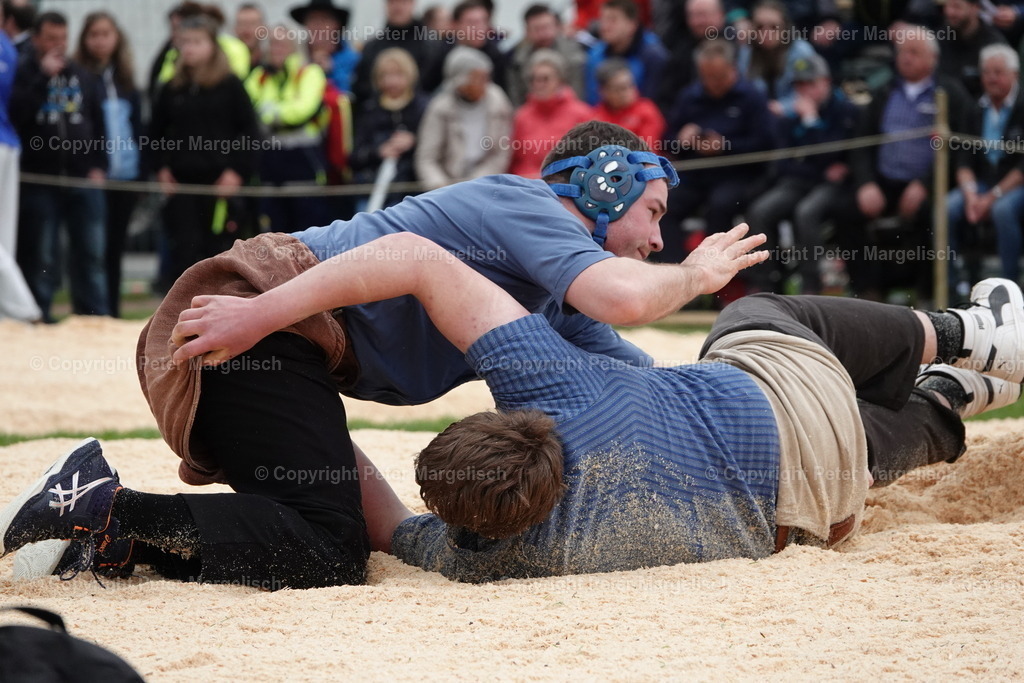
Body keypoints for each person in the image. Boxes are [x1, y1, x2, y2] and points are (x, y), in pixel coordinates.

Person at [8, 236, 1024, 584]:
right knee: (760, 310)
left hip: (818, 488)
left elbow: (378, 522)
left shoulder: (488, 556)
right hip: (772, 388)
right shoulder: (562, 389)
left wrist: (311, 447)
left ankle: (951, 389)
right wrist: (276, 332)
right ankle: (954, 331)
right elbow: (418, 261)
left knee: (910, 433)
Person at [5, 123, 739, 589]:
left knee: (319, 534)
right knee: (329, 546)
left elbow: (643, 379)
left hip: (277, 339)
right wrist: (700, 278)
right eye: (653, 214)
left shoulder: (551, 303)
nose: (657, 241)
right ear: (602, 187)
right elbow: (625, 298)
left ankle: (106, 542)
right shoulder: (530, 205)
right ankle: (91, 505)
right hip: (247, 316)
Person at [848, 27, 970, 301]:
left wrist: (925, 185)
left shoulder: (950, 93)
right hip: (884, 180)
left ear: (932, 59)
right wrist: (866, 183)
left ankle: (927, 293)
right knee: (847, 211)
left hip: (931, 183)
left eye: (914, 53)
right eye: (902, 52)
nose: (906, 58)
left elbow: (959, 148)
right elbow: (860, 142)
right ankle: (867, 290)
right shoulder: (884, 91)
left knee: (932, 216)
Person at [148, 15, 260, 290]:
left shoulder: (230, 86)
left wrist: (237, 172)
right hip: (182, 185)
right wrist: (160, 168)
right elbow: (154, 134)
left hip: (220, 186)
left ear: (212, 45)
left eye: (196, 42)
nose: (189, 48)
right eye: (184, 42)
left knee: (219, 253)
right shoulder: (171, 88)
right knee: (184, 252)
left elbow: (250, 133)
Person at [12, 11, 109, 322]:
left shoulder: (82, 75)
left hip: (82, 177)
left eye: (63, 38)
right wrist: (42, 77)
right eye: (51, 38)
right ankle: (39, 317)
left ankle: (94, 317)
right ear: (37, 38)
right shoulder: (23, 71)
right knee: (42, 255)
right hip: (39, 180)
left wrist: (100, 164)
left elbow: (98, 122)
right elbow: (16, 115)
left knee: (91, 253)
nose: (58, 45)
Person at [743, 54, 860, 294]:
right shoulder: (789, 116)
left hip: (835, 187)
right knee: (760, 210)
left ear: (826, 81)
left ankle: (811, 285)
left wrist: (811, 122)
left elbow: (840, 157)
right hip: (801, 182)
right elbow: (785, 162)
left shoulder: (846, 110)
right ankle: (766, 284)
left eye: (810, 84)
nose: (804, 91)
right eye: (799, 85)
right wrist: (816, 164)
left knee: (807, 212)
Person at [659, 39, 776, 265]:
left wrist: (725, 146)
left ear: (733, 70)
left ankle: (716, 276)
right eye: (706, 77)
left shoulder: (751, 97)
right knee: (665, 205)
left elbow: (766, 144)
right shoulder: (690, 96)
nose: (712, 83)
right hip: (698, 173)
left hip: (739, 174)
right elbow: (667, 141)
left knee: (720, 206)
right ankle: (675, 272)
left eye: (719, 76)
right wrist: (682, 140)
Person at [74, 11, 143, 319]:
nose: (100, 41)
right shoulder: (78, 76)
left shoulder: (126, 79)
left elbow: (139, 127)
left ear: (117, 38)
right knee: (90, 250)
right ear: (85, 39)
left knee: (114, 249)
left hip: (126, 176)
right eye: (94, 34)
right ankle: (90, 311)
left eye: (106, 34)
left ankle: (112, 312)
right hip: (94, 176)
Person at [947, 44, 1024, 291]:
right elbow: (964, 161)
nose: (991, 78)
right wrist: (971, 196)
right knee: (948, 207)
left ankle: (1008, 285)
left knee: (1002, 211)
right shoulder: (975, 109)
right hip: (982, 185)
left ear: (1015, 75)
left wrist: (991, 198)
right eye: (987, 72)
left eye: (998, 72)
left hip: (1014, 185)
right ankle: (950, 283)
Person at [245, 25, 331, 233]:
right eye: (273, 44)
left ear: (295, 47)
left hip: (303, 164)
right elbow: (244, 108)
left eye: (283, 44)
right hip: (269, 165)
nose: (277, 49)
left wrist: (268, 113)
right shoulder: (260, 76)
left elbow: (302, 110)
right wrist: (276, 113)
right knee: (271, 232)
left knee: (307, 231)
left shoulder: (309, 72)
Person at [414, 46, 513, 190]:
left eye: (487, 77)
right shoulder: (440, 108)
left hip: (485, 184)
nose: (486, 84)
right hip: (446, 187)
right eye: (479, 78)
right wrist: (440, 186)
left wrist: (476, 183)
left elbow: (501, 153)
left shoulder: (498, 101)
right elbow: (426, 158)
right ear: (461, 81)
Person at [350, 47, 428, 209]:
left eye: (398, 74)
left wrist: (415, 142)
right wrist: (379, 151)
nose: (391, 82)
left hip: (412, 191)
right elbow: (354, 157)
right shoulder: (369, 110)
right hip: (373, 190)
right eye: (385, 75)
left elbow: (435, 150)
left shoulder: (424, 108)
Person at [0, 0, 39, 322]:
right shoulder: (8, 46)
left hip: (3, 141)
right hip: (9, 143)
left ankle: (22, 308)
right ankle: (12, 312)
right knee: (4, 238)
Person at [507, 49, 592, 178]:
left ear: (560, 80)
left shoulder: (582, 114)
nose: (538, 84)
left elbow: (589, 159)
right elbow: (511, 161)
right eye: (533, 79)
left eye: (545, 79)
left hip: (565, 187)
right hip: (525, 186)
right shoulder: (521, 117)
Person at [350, 0, 442, 107]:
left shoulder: (432, 46)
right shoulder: (372, 47)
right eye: (393, 2)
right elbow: (362, 85)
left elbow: (434, 83)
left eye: (403, 2)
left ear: (413, 3)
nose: (398, 7)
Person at [735, 0, 819, 116]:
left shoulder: (801, 52)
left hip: (795, 118)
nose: (766, 32)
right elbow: (742, 91)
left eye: (774, 27)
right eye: (760, 27)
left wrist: (782, 107)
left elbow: (811, 93)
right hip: (758, 119)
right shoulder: (746, 52)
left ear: (785, 27)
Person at [584, 0, 668, 105]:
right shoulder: (595, 55)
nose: (605, 27)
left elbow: (654, 102)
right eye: (602, 20)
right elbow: (592, 99)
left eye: (613, 20)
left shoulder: (653, 56)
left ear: (632, 25)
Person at [506, 4, 587, 107]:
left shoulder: (574, 53)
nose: (544, 34)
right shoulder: (517, 60)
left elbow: (579, 93)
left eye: (547, 27)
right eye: (537, 29)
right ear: (527, 31)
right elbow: (516, 98)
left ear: (557, 26)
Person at [422, 0, 509, 94]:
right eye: (472, 22)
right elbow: (426, 89)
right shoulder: (441, 53)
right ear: (455, 25)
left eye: (483, 21)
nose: (479, 28)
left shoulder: (496, 56)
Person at [938, 0, 1008, 100]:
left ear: (975, 8)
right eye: (947, 6)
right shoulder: (940, 38)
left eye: (957, 7)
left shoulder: (994, 45)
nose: (950, 12)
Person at [591, 58, 665, 148]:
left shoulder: (646, 111)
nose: (627, 92)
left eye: (630, 85)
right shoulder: (595, 117)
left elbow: (647, 149)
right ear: (603, 91)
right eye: (620, 88)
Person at [289, 0, 358, 94]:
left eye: (324, 19)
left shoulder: (354, 62)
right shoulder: (293, 59)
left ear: (337, 25)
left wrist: (332, 72)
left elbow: (353, 97)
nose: (318, 25)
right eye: (312, 19)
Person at [233, 3, 266, 74]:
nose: (247, 30)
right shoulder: (226, 67)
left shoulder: (274, 66)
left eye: (252, 24)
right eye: (242, 24)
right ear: (235, 29)